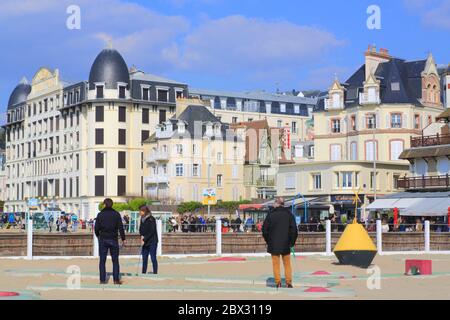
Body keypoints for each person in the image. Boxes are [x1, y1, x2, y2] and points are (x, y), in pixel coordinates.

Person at [262, 197, 298, 289]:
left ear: (277, 203)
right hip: (286, 243)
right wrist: (291, 242)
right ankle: (288, 282)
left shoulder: (271, 214)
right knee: (287, 264)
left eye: (274, 202)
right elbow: (294, 230)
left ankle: (278, 282)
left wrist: (268, 240)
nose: (273, 204)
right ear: (283, 204)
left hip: (274, 243)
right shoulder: (289, 215)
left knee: (276, 264)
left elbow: (264, 230)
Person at [95, 198, 126, 285]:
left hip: (103, 239)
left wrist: (98, 236)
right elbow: (121, 228)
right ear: (112, 205)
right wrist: (123, 239)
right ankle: (116, 280)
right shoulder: (116, 214)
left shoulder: (100, 214)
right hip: (113, 239)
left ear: (104, 204)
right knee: (115, 261)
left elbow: (96, 228)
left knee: (102, 260)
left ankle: (102, 280)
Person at [138, 205, 158, 275]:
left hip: (152, 241)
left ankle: (155, 272)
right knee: (144, 258)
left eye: (140, 211)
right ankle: (143, 272)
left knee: (153, 258)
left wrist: (145, 238)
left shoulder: (151, 219)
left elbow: (152, 231)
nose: (139, 212)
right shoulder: (142, 218)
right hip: (145, 241)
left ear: (144, 211)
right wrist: (141, 236)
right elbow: (140, 229)